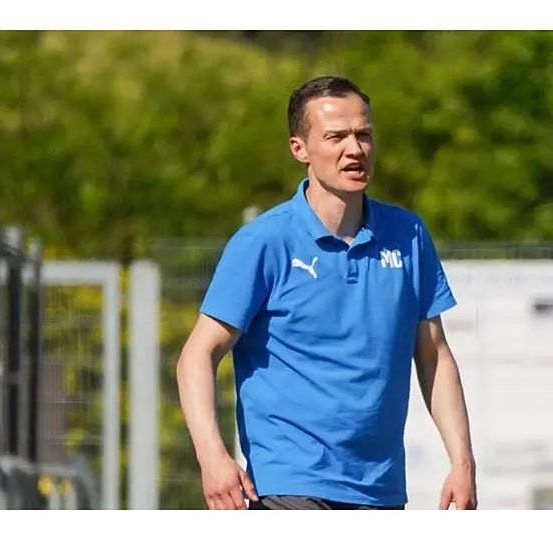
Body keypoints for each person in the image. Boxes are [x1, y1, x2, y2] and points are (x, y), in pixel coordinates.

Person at [175, 75, 476, 510]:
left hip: (381, 489)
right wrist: (213, 458)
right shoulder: (265, 242)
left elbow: (433, 355)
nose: (355, 149)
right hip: (290, 484)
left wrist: (462, 461)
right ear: (300, 148)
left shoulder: (408, 234)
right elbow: (196, 356)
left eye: (364, 134)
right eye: (336, 136)